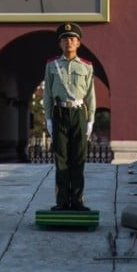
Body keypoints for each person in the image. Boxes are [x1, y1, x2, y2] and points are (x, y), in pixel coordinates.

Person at [43, 22, 96, 211]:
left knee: (78, 159)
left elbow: (90, 94)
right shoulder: (52, 65)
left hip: (79, 113)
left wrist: (90, 120)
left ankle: (78, 201)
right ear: (60, 43)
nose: (69, 42)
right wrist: (48, 119)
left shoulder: (87, 67)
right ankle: (62, 201)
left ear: (78, 43)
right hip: (59, 113)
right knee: (61, 159)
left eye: (72, 39)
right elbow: (47, 94)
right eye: (65, 39)